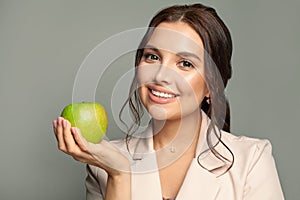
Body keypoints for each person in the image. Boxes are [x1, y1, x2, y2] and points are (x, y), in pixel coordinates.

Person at [52, 3, 284, 200]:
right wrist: (120, 175)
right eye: (152, 57)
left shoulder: (252, 160)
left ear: (212, 87)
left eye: (185, 63)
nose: (161, 76)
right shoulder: (103, 164)